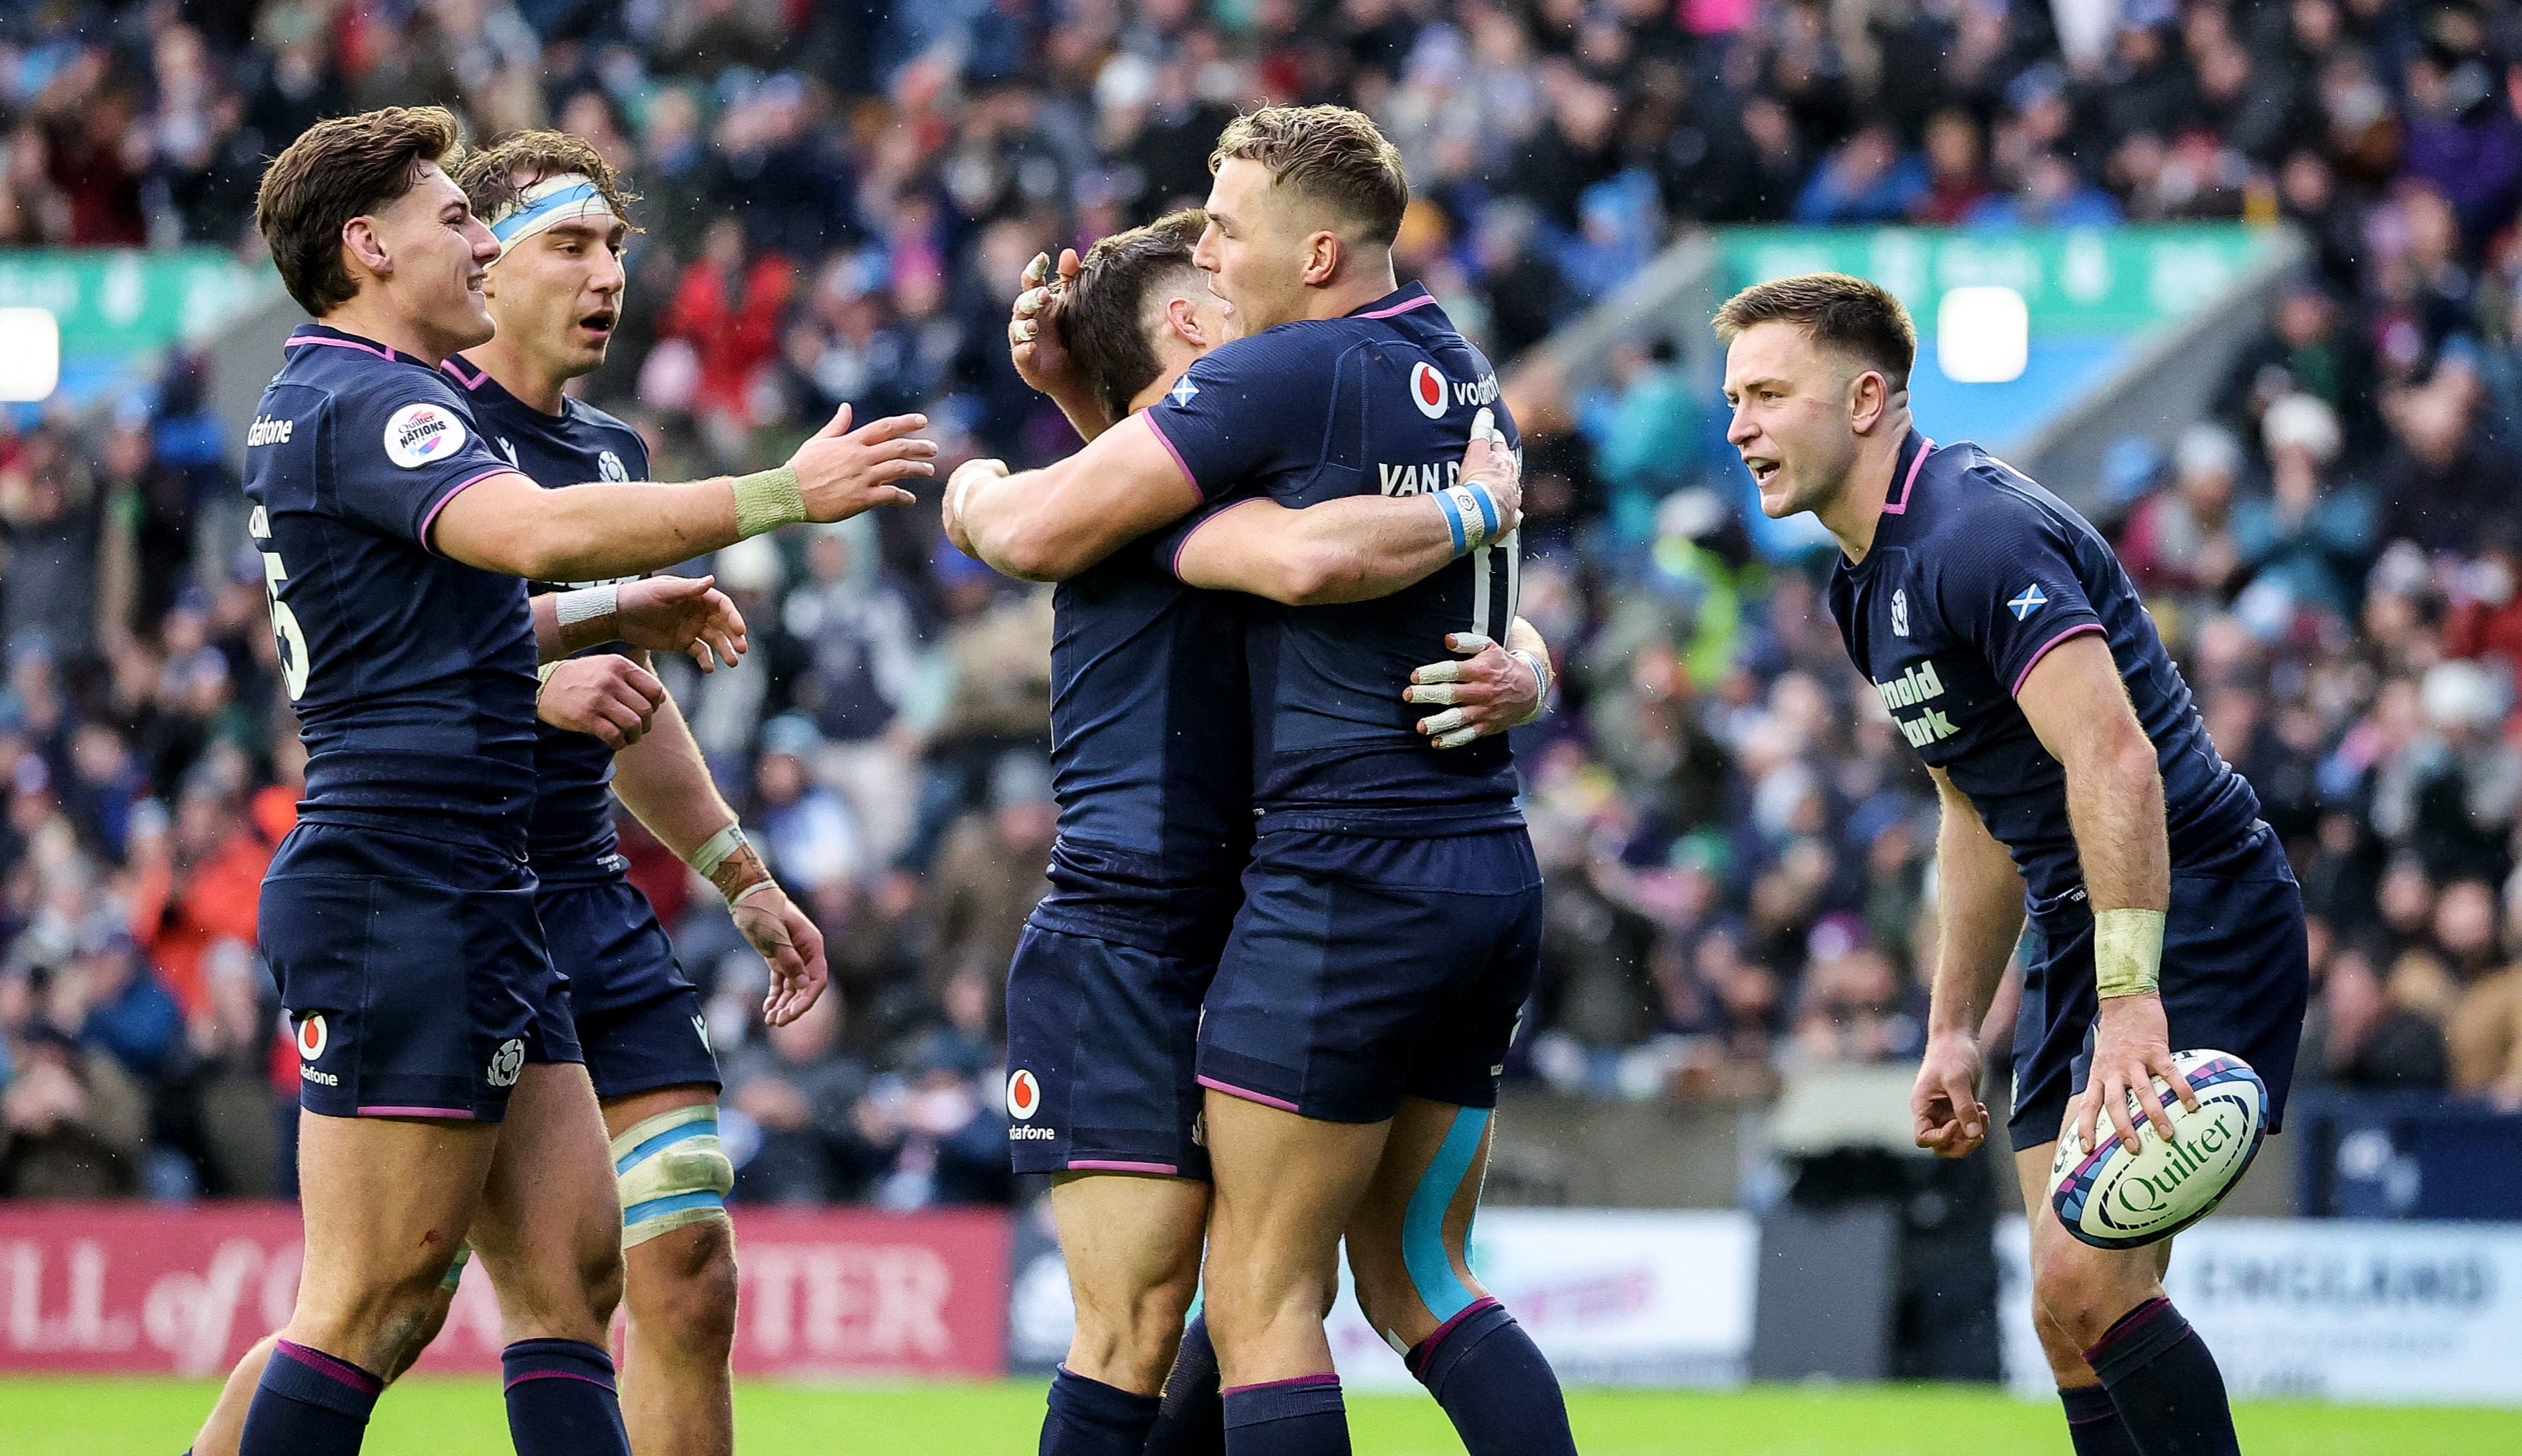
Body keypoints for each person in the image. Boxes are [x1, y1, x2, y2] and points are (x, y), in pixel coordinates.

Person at [220, 106, 932, 1456]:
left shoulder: (478, 418)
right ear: (368, 248)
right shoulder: (366, 399)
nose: (479, 243)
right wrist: (781, 491)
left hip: (503, 885)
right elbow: (526, 536)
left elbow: (462, 617)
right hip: (402, 875)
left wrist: (587, 628)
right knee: (376, 1297)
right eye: (458, 221)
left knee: (570, 1274)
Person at [948, 106, 1572, 1456]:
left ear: (1324, 252)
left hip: (1306, 890)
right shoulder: (1460, 375)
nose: (1220, 262)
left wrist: (972, 485)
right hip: (1286, 900)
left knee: (1248, 1295)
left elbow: (1071, 525)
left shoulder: (1267, 393)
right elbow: (1404, 574)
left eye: (1228, 234)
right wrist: (1521, 642)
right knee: (1339, 1283)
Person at [1713, 271, 2310, 1456]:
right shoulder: (1859, 582)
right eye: (1735, 399)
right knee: (2060, 1312)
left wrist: (2134, 1001)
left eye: (1769, 395)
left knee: (2093, 1289)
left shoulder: (1976, 532)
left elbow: (2116, 764)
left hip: (2189, 901)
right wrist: (1950, 1025)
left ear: (1866, 397)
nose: (1739, 427)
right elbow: (1972, 802)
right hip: (2074, 924)